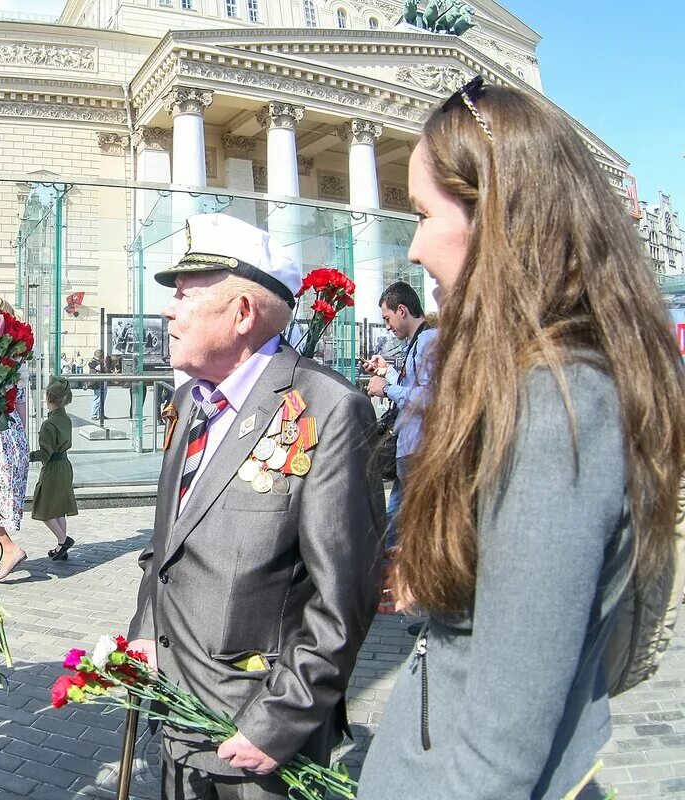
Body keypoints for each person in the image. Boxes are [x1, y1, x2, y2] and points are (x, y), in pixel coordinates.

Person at [357, 80, 685, 799]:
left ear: (495, 211)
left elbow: (501, 752)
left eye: (419, 214)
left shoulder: (554, 398)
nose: (412, 248)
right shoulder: (537, 378)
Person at [126, 213, 383, 800]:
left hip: (257, 741)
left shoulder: (327, 408)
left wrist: (280, 722)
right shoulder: (194, 400)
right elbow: (166, 542)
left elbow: (345, 591)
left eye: (186, 295)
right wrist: (144, 633)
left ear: (242, 314)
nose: (169, 310)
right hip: (177, 716)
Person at [363, 281, 436, 550]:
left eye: (387, 318)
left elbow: (430, 397)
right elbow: (416, 389)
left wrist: (388, 389)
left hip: (419, 450)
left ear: (402, 310)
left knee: (401, 527)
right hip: (412, 449)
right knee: (393, 524)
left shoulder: (428, 341)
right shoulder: (419, 342)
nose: (387, 326)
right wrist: (388, 375)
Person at [0, 295, 30, 581]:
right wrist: (24, 442)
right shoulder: (18, 357)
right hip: (14, 434)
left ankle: (10, 548)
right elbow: (22, 403)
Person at [30, 380, 78, 561]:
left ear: (49, 398)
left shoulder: (49, 424)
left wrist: (26, 457)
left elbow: (45, 454)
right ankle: (61, 548)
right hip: (65, 465)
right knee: (59, 509)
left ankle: (63, 540)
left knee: (45, 509)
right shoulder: (65, 418)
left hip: (52, 469)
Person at [88, 349, 106, 420]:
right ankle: (94, 414)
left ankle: (101, 414)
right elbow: (101, 369)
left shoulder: (97, 361)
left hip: (101, 382)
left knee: (102, 399)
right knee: (98, 399)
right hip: (97, 383)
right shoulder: (93, 362)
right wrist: (104, 365)